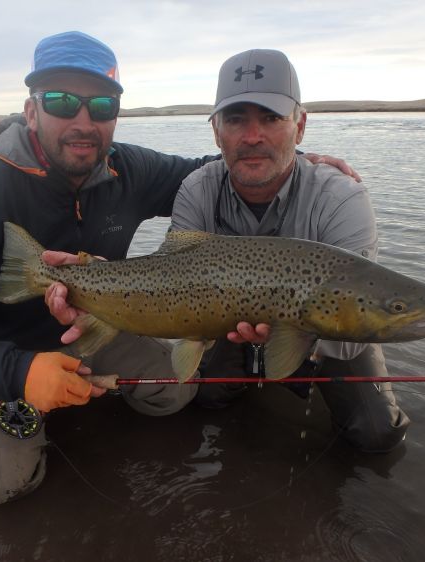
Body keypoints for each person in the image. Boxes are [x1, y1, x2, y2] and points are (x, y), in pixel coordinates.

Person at [0, 31, 359, 507]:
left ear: (115, 116)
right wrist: (18, 372)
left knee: (174, 395)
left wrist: (294, 159)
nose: (83, 122)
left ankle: (83, 392)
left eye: (102, 106)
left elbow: (222, 167)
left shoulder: (128, 169)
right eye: (63, 102)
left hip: (100, 321)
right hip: (3, 353)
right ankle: (5, 396)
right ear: (32, 111)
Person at [170, 49, 410, 452]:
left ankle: (272, 372)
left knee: (376, 433)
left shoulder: (340, 198)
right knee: (206, 399)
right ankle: (253, 373)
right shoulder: (197, 190)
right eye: (236, 120)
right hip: (226, 323)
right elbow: (169, 287)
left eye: (270, 118)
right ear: (216, 132)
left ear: (300, 127)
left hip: (326, 332)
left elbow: (355, 334)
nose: (252, 136)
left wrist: (288, 334)